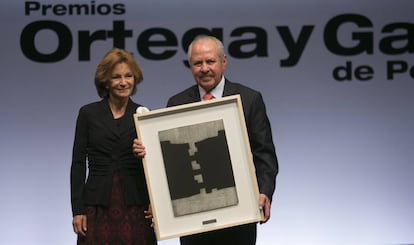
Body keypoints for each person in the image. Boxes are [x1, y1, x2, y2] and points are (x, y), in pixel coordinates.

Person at [133, 35, 278, 245]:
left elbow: (264, 154)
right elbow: (171, 161)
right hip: (192, 220)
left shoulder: (249, 99)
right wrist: (148, 151)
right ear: (190, 66)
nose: (204, 68)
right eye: (197, 63)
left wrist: (265, 191)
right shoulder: (176, 103)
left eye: (210, 61)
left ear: (224, 62)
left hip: (239, 214)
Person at [70, 48, 157, 245]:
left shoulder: (143, 114)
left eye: (128, 76)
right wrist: (78, 210)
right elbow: (77, 163)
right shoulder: (88, 114)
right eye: (116, 77)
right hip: (97, 204)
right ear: (105, 81)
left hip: (136, 203)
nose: (123, 82)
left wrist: (155, 202)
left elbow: (155, 164)